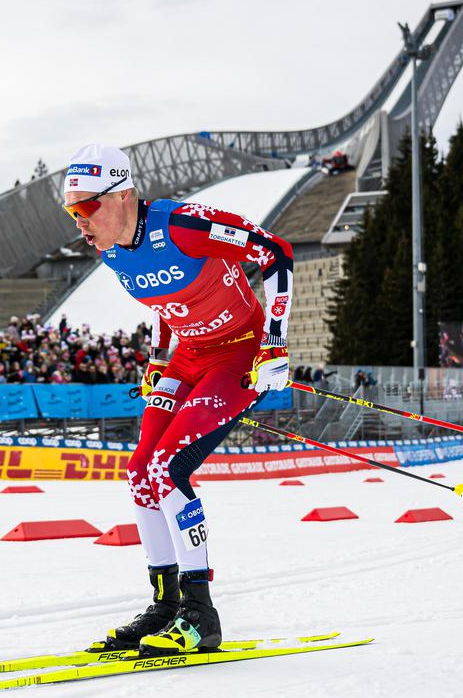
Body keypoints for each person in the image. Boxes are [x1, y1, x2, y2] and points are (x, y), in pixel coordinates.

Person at [62, 144, 293, 654]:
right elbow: (166, 303)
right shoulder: (109, 249)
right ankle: (165, 606)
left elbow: (274, 252)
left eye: (86, 207)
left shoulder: (184, 225)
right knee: (141, 469)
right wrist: (158, 360)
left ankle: (200, 614)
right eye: (71, 210)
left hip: (239, 353)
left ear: (122, 196)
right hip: (186, 358)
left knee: (169, 468)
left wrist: (276, 342)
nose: (79, 221)